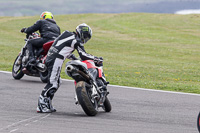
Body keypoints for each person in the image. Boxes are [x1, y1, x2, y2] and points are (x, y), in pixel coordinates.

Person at [37, 23, 103, 113]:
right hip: (56, 59)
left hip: (51, 57)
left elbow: (63, 48)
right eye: (85, 36)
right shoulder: (76, 40)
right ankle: (41, 105)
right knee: (53, 83)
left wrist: (74, 58)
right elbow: (83, 55)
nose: (84, 39)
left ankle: (47, 103)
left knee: (57, 81)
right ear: (81, 32)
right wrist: (96, 59)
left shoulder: (67, 34)